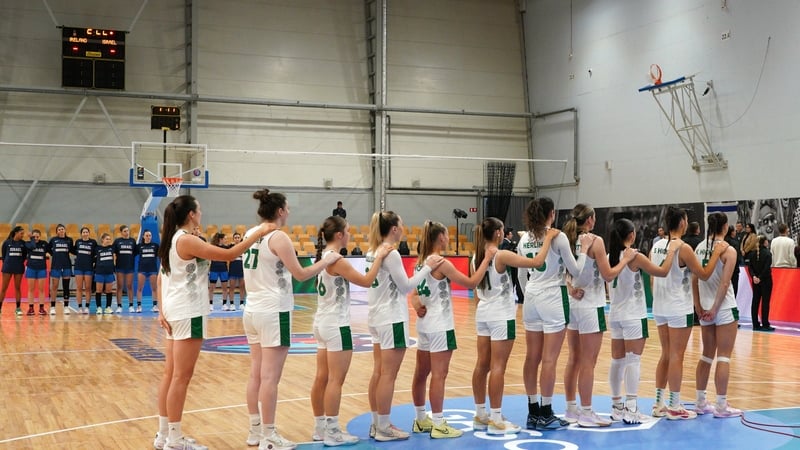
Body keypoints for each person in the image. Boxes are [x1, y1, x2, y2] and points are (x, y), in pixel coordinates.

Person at [153, 194, 275, 450]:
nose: (201, 213)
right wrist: (258, 232)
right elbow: (230, 254)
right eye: (199, 210)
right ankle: (174, 439)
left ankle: (164, 434)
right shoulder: (187, 240)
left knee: (170, 374)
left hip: (175, 310)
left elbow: (162, 278)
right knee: (181, 377)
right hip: (188, 311)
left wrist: (162, 310)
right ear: (191, 214)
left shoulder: (174, 238)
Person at [242, 189, 342, 450]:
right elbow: (300, 274)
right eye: (287, 208)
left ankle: (255, 430)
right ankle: (269, 436)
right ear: (279, 211)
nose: (289, 212)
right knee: (270, 378)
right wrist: (326, 261)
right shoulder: (278, 237)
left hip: (251, 309)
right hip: (273, 310)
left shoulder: (250, 233)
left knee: (256, 374)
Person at [309, 216, 391, 446]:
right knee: (335, 380)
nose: (350, 235)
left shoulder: (324, 256)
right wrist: (379, 258)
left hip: (321, 322)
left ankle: (320, 428)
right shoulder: (337, 260)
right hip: (337, 324)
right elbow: (366, 281)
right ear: (339, 235)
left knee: (322, 377)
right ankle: (333, 431)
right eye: (347, 231)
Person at [410, 220, 495, 439]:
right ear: (440, 238)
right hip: (440, 324)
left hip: (424, 325)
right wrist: (486, 259)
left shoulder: (420, 263)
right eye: (447, 235)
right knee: (439, 374)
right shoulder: (441, 263)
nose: (448, 239)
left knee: (421, 373)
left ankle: (420, 419)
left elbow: (414, 294)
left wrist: (417, 305)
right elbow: (471, 283)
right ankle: (439, 423)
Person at [365, 211, 442, 442]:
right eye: (402, 224)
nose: (404, 227)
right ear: (394, 229)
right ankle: (384, 427)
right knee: (388, 375)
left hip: (376, 317)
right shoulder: (391, 253)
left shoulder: (372, 251)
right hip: (392, 318)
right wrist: (427, 267)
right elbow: (407, 286)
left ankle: (376, 423)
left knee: (378, 372)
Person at [516, 198, 590, 431]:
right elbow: (575, 271)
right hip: (553, 297)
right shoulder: (558, 237)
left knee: (532, 357)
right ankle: (546, 412)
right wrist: (584, 251)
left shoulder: (524, 238)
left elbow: (520, 274)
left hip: (531, 295)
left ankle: (533, 411)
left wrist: (528, 295)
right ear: (551, 214)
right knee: (549, 359)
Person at [561, 204, 637, 428]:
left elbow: (564, 272)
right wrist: (625, 260)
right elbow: (608, 275)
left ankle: (571, 409)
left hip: (573, 304)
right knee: (588, 362)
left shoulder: (567, 239)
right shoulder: (595, 241)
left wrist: (570, 288)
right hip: (591, 305)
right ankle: (586, 411)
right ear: (590, 220)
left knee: (573, 359)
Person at [650, 206, 726, 420]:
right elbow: (704, 274)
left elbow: (652, 278)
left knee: (665, 354)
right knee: (676, 356)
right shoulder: (683, 248)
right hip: (677, 306)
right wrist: (716, 253)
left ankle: (659, 403)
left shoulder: (656, 246)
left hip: (659, 306)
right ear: (682, 223)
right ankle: (675, 405)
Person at [607, 218, 677, 424]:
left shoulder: (610, 256)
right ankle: (631, 408)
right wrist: (671, 251)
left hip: (615, 314)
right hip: (633, 315)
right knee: (633, 360)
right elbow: (662, 271)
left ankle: (617, 406)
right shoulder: (634, 256)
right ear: (631, 235)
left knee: (617, 361)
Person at [692, 212, 742, 418]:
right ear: (725, 227)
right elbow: (725, 283)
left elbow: (694, 279)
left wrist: (698, 306)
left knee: (706, 355)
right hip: (723, 307)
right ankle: (721, 405)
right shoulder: (728, 250)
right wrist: (715, 308)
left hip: (704, 308)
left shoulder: (699, 247)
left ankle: (700, 401)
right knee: (723, 356)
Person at [747, 236, 773, 331]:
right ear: (765, 242)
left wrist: (754, 276)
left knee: (755, 301)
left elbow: (750, 267)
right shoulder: (767, 253)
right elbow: (766, 268)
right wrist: (760, 277)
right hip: (765, 280)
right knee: (765, 302)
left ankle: (755, 324)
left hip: (755, 281)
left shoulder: (752, 254)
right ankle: (765, 324)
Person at [1, 226, 28, 316]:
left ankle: (18, 308)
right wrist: (7, 263)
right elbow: (4, 256)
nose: (22, 235)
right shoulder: (7, 242)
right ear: (16, 233)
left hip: (18, 268)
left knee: (17, 288)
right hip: (7, 267)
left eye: (23, 234)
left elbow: (24, 256)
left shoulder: (23, 244)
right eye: (21, 233)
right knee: (3, 288)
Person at [48, 224, 74, 315]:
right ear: (57, 231)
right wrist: (54, 254)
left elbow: (72, 250)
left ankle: (66, 307)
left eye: (62, 229)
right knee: (54, 286)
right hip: (56, 266)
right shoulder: (53, 240)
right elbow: (48, 249)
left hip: (66, 266)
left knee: (66, 287)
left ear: (65, 230)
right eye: (59, 229)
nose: (61, 230)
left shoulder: (69, 240)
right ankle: (52, 307)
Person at [71, 227, 97, 313]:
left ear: (89, 233)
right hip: (79, 267)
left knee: (88, 288)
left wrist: (92, 261)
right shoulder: (78, 242)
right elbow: (74, 251)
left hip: (88, 267)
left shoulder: (93, 242)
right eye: (83, 232)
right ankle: (79, 307)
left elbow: (96, 254)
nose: (85, 233)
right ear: (81, 234)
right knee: (79, 288)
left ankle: (87, 307)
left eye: (86, 232)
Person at [25, 229, 50, 316]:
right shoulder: (28, 243)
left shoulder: (44, 244)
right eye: (34, 236)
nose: (35, 238)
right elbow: (33, 246)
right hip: (31, 268)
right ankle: (31, 308)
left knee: (41, 289)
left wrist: (48, 254)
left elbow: (51, 251)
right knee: (31, 289)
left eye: (37, 236)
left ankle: (41, 308)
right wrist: (31, 239)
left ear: (40, 236)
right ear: (31, 236)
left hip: (41, 269)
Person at [113, 225, 137, 313]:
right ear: (121, 232)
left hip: (129, 266)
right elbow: (113, 253)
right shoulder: (117, 241)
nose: (127, 232)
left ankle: (131, 305)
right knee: (119, 286)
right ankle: (119, 306)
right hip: (120, 267)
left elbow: (135, 252)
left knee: (129, 286)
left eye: (128, 231)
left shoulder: (132, 241)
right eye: (125, 231)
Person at [136, 230, 160, 313]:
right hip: (142, 269)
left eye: (150, 235)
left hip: (152, 269)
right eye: (147, 235)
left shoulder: (155, 246)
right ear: (143, 236)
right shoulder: (139, 246)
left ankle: (155, 306)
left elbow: (160, 256)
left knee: (154, 288)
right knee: (140, 288)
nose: (148, 237)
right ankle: (139, 306)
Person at [94, 233, 116, 315]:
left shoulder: (112, 248)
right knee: (98, 290)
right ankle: (99, 307)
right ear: (102, 240)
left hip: (109, 272)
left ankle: (108, 307)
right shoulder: (97, 249)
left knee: (109, 291)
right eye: (107, 239)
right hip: (99, 272)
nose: (108, 240)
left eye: (109, 239)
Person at [207, 233, 230, 312]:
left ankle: (224, 304)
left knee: (225, 288)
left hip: (224, 269)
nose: (226, 240)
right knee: (211, 288)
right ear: (221, 239)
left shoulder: (226, 248)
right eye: (225, 239)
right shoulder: (213, 247)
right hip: (214, 269)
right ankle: (210, 304)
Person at [501, 228, 524, 303]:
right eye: (510, 234)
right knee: (511, 281)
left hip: (513, 265)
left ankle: (512, 296)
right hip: (510, 266)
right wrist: (513, 248)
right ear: (507, 235)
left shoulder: (510, 242)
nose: (512, 235)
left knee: (514, 281)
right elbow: (505, 251)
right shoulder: (505, 242)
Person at [228, 232, 246, 310]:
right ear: (233, 239)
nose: (237, 239)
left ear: (240, 239)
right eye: (235, 237)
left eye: (238, 237)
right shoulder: (230, 247)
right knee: (232, 286)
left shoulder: (243, 247)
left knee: (242, 287)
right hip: (233, 267)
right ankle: (232, 304)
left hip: (241, 267)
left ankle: (242, 303)